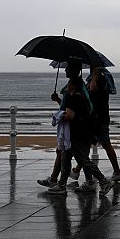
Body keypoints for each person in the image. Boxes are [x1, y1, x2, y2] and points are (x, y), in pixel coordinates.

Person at [48, 75, 114, 196]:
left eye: (68, 85)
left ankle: (104, 181)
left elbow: (70, 116)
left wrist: (58, 116)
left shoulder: (74, 98)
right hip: (83, 132)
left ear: (72, 86)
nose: (67, 87)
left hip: (77, 134)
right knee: (66, 157)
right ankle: (61, 185)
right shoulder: (83, 97)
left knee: (83, 160)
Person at [72, 65, 120, 193]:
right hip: (93, 119)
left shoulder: (101, 78)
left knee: (106, 144)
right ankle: (77, 171)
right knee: (87, 144)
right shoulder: (92, 78)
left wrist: (95, 75)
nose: (90, 67)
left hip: (100, 119)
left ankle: (116, 172)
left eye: (92, 66)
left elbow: (94, 89)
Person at [37, 59, 84, 189]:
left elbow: (72, 110)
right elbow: (67, 107)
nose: (65, 70)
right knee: (63, 152)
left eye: (68, 68)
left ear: (75, 70)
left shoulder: (77, 88)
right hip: (72, 126)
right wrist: (58, 99)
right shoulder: (74, 86)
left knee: (78, 157)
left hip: (73, 127)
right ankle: (55, 179)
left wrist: (62, 115)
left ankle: (97, 181)